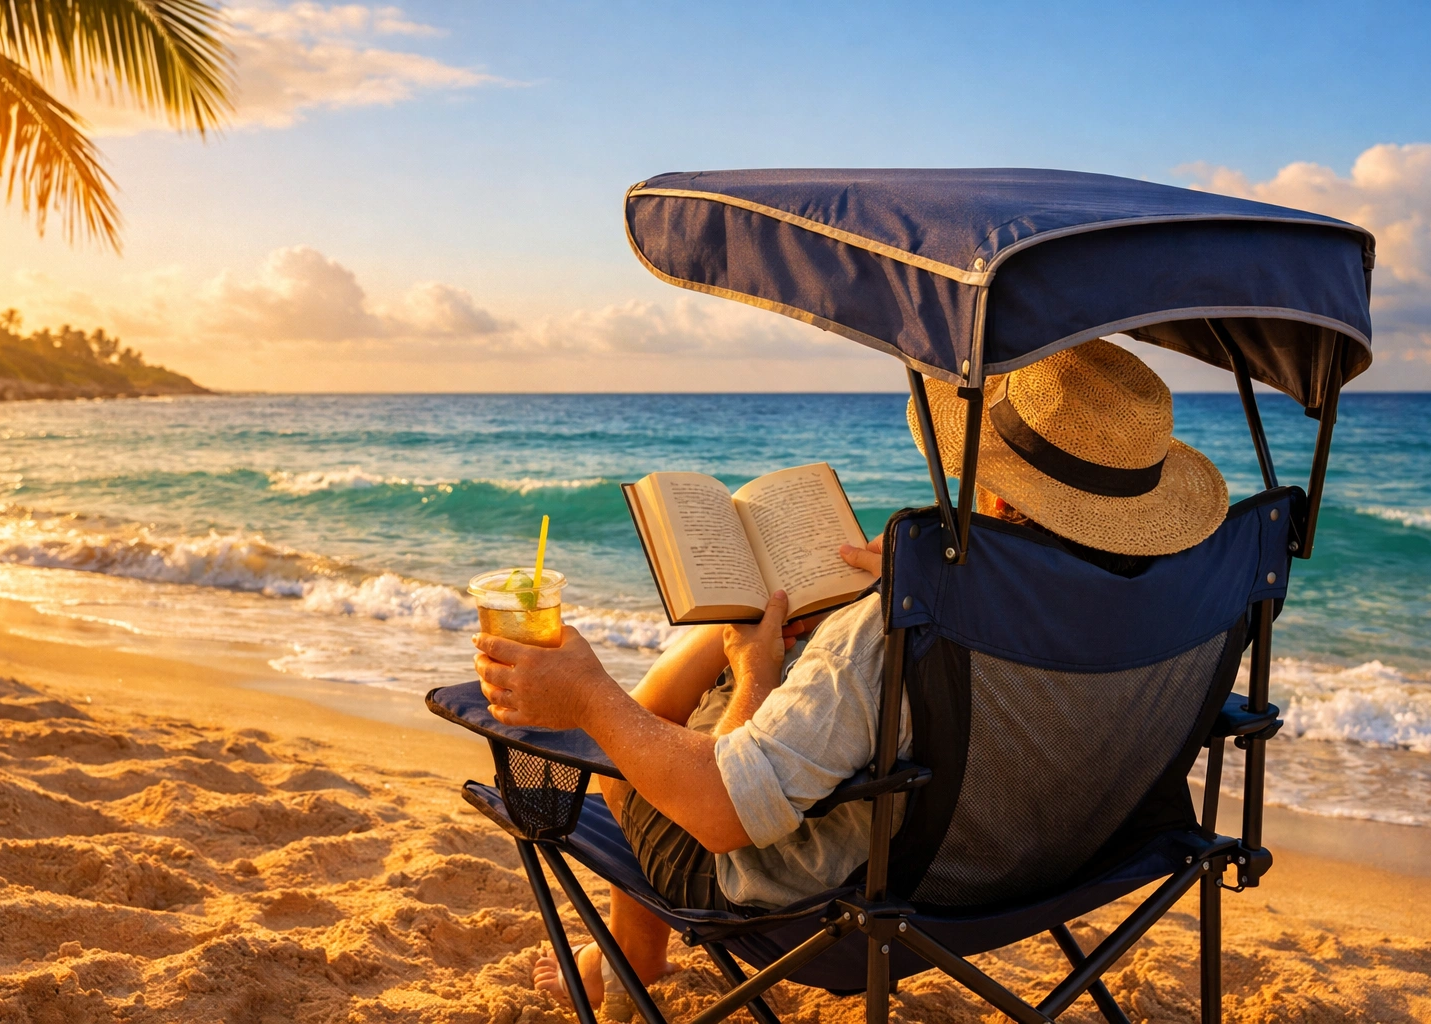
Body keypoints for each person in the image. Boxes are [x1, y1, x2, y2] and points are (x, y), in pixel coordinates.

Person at [470, 338, 1230, 1008]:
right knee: (728, 696)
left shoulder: (899, 630)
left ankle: (635, 955)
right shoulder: (1174, 606)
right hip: (1069, 864)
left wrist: (590, 696)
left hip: (846, 896)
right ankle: (746, 642)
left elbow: (722, 815)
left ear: (995, 493)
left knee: (638, 740)